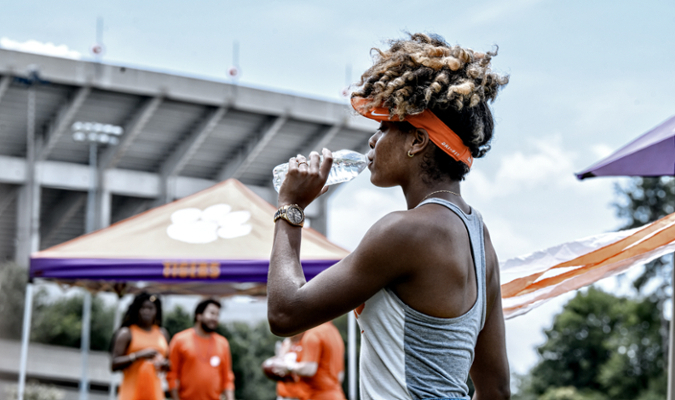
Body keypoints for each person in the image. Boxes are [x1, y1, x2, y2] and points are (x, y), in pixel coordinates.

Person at [267, 33, 510, 400]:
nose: (372, 140)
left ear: (417, 141)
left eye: (384, 127)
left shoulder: (404, 231)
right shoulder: (479, 237)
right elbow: (496, 390)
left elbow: (285, 314)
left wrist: (291, 207)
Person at [167, 298, 235, 400]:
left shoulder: (223, 343)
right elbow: (172, 376)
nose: (215, 318)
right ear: (198, 315)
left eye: (217, 315)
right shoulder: (179, 340)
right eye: (212, 313)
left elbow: (227, 378)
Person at [111, 292, 170, 400]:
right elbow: (114, 364)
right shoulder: (127, 333)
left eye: (150, 308)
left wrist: (164, 364)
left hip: (155, 394)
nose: (146, 311)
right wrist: (137, 356)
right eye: (142, 308)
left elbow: (169, 362)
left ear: (157, 311)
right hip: (131, 394)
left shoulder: (162, 333)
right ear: (136, 310)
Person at [265, 322, 346, 400]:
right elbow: (340, 376)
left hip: (316, 395)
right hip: (335, 393)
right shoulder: (334, 332)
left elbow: (309, 369)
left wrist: (289, 367)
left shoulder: (313, 334)